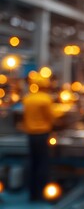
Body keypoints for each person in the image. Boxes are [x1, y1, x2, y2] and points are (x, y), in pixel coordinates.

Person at [22, 72, 55, 201]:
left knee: (33, 162)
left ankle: (32, 193)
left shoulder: (28, 99)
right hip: (42, 134)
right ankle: (42, 192)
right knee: (43, 163)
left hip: (30, 135)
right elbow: (51, 117)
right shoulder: (46, 99)